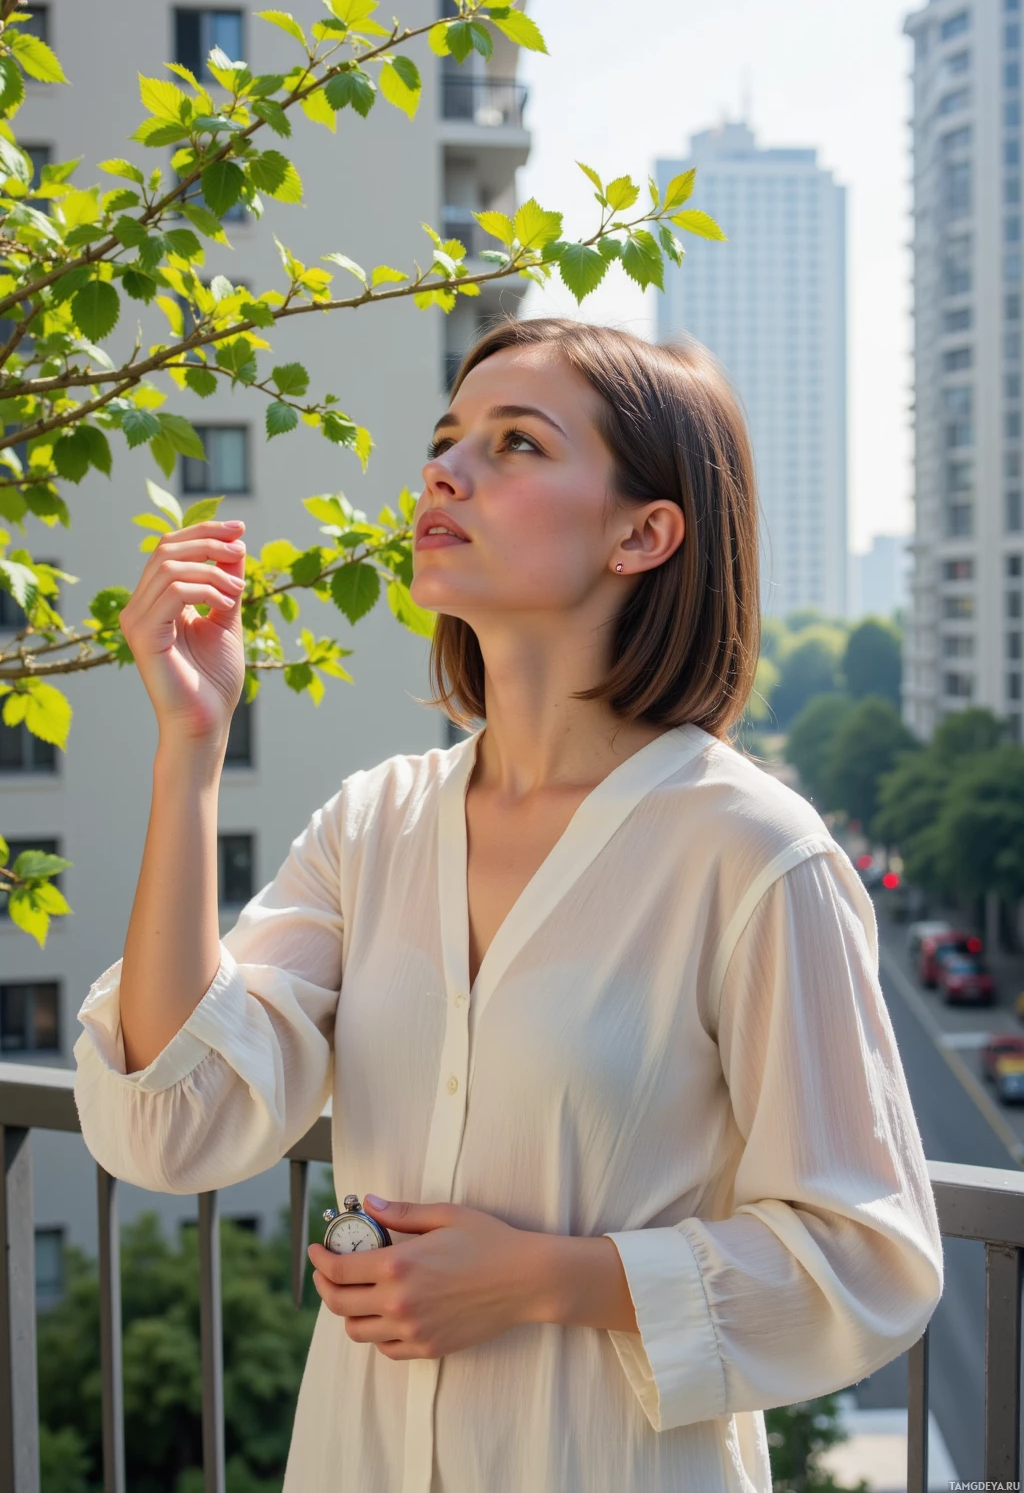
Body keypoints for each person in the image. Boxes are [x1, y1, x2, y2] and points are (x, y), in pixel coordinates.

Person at [74, 316, 943, 1493]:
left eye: (516, 443)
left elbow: (869, 1256)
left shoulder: (752, 854)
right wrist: (190, 749)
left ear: (643, 533)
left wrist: (544, 1278)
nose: (444, 469)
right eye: (447, 438)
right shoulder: (372, 823)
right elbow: (174, 1122)